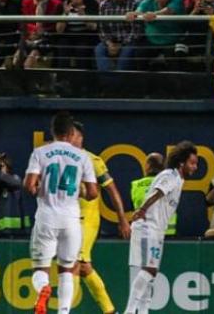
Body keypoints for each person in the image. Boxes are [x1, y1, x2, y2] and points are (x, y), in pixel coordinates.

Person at [23, 112, 98, 314]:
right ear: (71, 132)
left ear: (53, 131)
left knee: (40, 269)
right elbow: (92, 193)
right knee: (67, 270)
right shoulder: (83, 156)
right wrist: (78, 190)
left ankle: (43, 289)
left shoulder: (40, 152)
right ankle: (63, 312)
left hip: (47, 216)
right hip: (71, 219)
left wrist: (40, 188)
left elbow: (29, 186)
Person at [124, 141, 199, 314]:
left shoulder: (178, 179)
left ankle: (142, 311)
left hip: (156, 230)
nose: (195, 167)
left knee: (150, 275)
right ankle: (130, 310)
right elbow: (158, 192)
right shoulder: (170, 175)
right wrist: (142, 209)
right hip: (147, 227)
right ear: (182, 163)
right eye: (192, 163)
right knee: (149, 270)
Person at [70, 121, 131, 314]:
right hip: (69, 219)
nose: (67, 138)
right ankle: (110, 311)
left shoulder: (91, 160)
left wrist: (122, 219)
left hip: (87, 219)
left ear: (80, 138)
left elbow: (112, 190)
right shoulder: (62, 159)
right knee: (85, 267)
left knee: (74, 264)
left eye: (71, 135)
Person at [127, 0, 185, 65]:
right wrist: (132, 14)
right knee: (139, 56)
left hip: (172, 41)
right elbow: (139, 11)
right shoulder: (147, 1)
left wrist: (154, 14)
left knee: (175, 60)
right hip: (151, 41)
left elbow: (168, 11)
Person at [15, 0, 64, 69]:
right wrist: (34, 31)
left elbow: (54, 27)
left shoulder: (56, 4)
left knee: (30, 61)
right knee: (17, 58)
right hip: (28, 37)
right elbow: (23, 22)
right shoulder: (26, 2)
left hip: (45, 39)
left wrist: (41, 32)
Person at [55, 0, 100, 69]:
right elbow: (59, 30)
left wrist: (84, 16)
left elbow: (94, 27)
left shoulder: (91, 3)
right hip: (68, 37)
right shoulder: (62, 5)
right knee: (62, 47)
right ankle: (63, 79)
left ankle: (82, 80)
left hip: (86, 36)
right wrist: (65, 14)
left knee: (82, 49)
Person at [97, 0, 141, 71]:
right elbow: (102, 29)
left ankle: (118, 83)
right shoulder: (104, 5)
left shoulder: (135, 3)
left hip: (129, 41)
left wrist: (121, 45)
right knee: (99, 51)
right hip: (110, 41)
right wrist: (109, 43)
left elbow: (136, 31)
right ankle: (107, 83)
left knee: (124, 58)